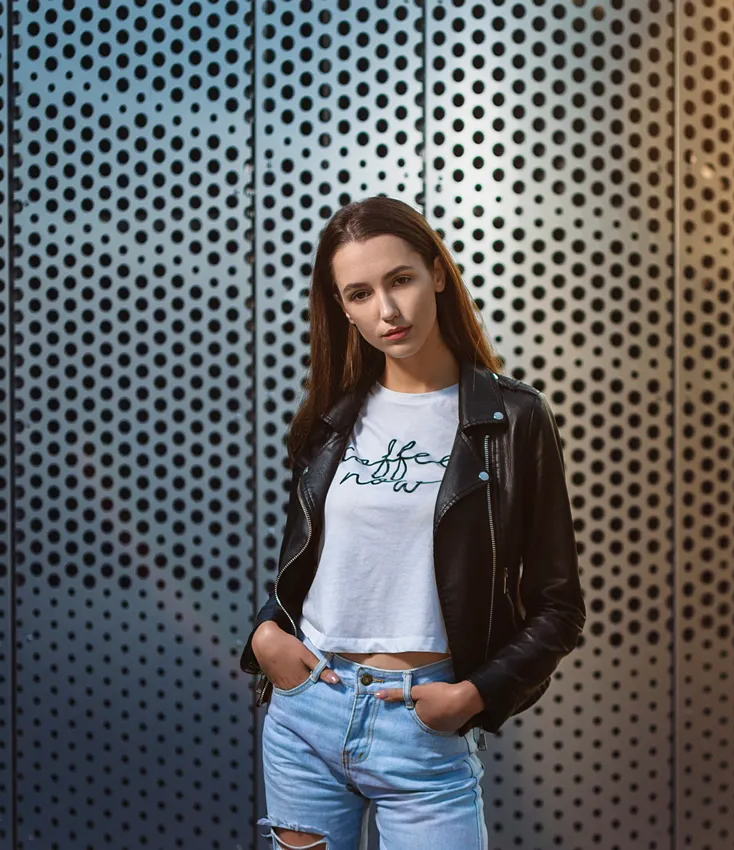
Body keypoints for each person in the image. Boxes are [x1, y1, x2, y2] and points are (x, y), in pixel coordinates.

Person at [237, 196, 587, 850]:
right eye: (361, 293)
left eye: (400, 280)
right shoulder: (330, 421)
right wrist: (265, 638)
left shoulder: (511, 420)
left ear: (437, 273)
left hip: (422, 722)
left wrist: (472, 695)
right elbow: (306, 568)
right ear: (342, 307)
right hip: (305, 714)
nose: (387, 312)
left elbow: (559, 606)